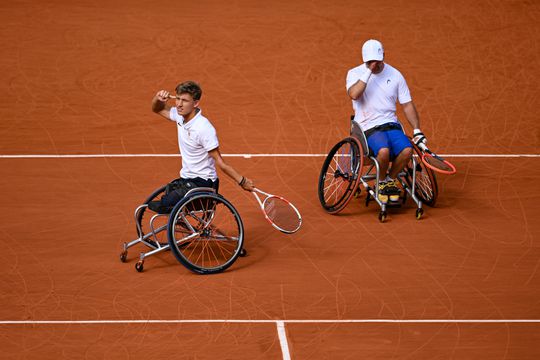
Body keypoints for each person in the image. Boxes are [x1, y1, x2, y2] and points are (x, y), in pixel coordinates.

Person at [150, 81, 254, 212]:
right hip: (186, 179)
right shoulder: (179, 116)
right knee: (166, 197)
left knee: (165, 204)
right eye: (177, 99)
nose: (179, 104)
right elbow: (157, 108)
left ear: (196, 103)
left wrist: (242, 181)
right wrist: (158, 99)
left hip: (203, 182)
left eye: (184, 101)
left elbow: (220, 162)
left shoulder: (204, 128)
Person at [346, 39, 427, 203]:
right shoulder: (354, 73)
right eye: (370, 61)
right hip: (368, 127)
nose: (374, 64)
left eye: (377, 60)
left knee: (407, 151)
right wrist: (368, 72)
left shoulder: (396, 75)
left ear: (384, 56)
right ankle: (381, 181)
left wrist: (417, 130)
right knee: (383, 152)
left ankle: (388, 179)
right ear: (365, 60)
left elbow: (407, 105)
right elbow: (354, 94)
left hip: (391, 125)